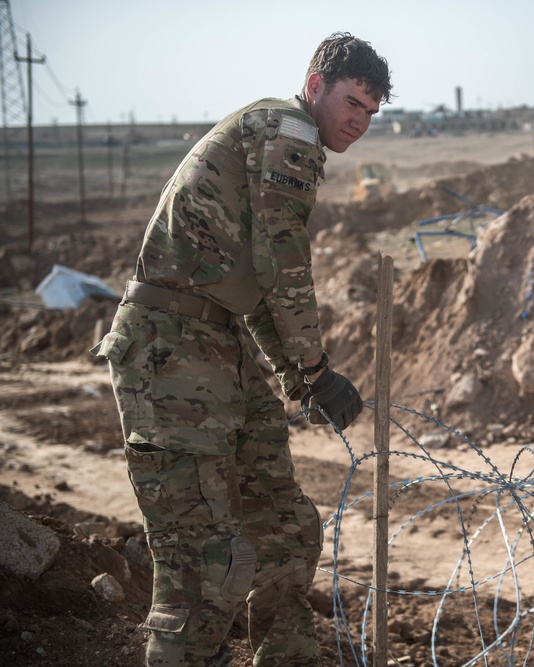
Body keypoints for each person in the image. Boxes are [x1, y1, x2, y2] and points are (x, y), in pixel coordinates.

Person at [91, 32, 392, 666]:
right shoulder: (292, 133)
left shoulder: (281, 133)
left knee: (288, 531)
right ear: (315, 87)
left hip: (214, 340)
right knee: (208, 565)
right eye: (352, 102)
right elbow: (283, 262)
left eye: (371, 111)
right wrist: (314, 366)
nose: (359, 121)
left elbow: (251, 285)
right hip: (168, 346)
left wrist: (295, 377)